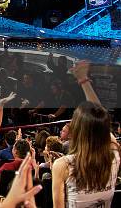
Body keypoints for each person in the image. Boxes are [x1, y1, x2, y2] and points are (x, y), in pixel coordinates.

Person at [52, 64, 120, 208]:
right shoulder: (114, 155)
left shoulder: (63, 165)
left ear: (76, 130)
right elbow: (101, 119)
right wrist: (84, 80)